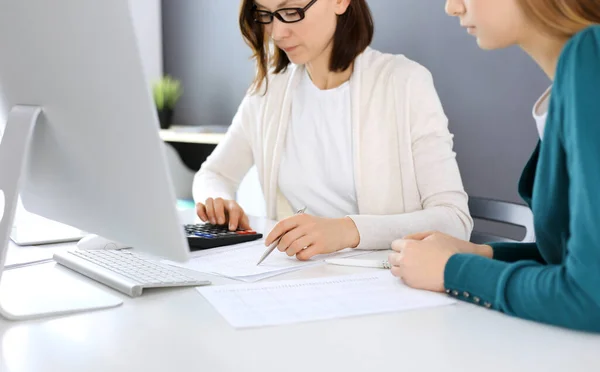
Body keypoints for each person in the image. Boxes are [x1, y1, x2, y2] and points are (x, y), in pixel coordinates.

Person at [193, 0, 473, 261]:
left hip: (390, 282)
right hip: (301, 277)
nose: (277, 33)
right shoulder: (268, 92)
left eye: (291, 12)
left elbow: (454, 220)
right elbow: (214, 174)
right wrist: (217, 201)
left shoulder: (404, 82)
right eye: (265, 15)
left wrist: (346, 231)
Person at [389, 0, 600, 332]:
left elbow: (590, 296)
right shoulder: (569, 82)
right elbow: (572, 260)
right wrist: (479, 253)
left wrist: (452, 271)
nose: (451, 7)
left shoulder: (591, 57)